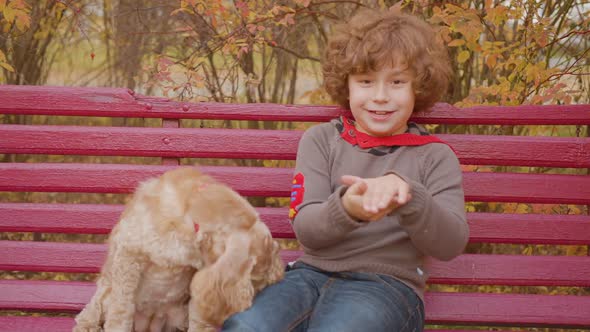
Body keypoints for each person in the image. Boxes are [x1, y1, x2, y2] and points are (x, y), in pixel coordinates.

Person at [222, 7, 469, 332]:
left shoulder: (435, 157)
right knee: (245, 325)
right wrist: (347, 208)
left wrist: (411, 198)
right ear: (347, 86)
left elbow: (450, 244)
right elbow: (307, 229)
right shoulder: (321, 141)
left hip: (387, 287)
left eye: (397, 82)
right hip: (308, 275)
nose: (380, 97)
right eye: (366, 82)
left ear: (417, 88)